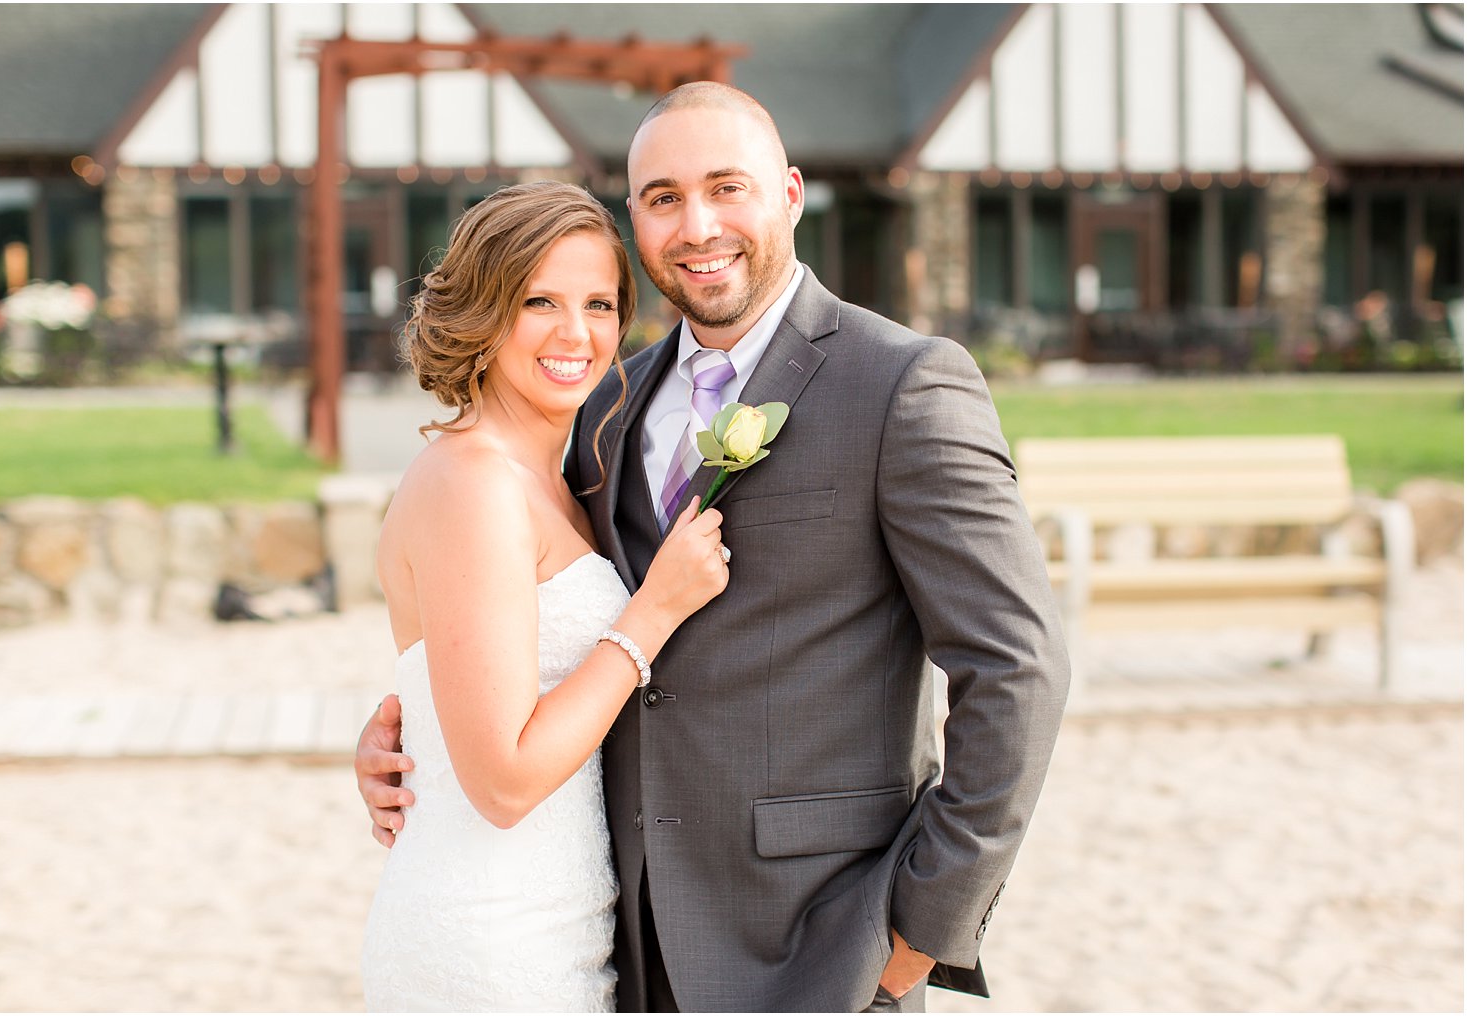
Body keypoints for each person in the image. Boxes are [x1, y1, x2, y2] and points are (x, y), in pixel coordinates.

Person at [357, 82, 1071, 1012]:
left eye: (726, 188)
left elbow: (1018, 667)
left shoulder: (904, 385)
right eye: (663, 197)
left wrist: (923, 930)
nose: (698, 225)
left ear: (789, 193)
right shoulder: (602, 411)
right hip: (622, 942)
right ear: (637, 219)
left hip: (815, 944)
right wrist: (408, 735)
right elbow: (508, 634)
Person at [358, 181, 731, 1011]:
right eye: (540, 302)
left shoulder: (559, 476)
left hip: (562, 925)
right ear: (483, 315)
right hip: (491, 938)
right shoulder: (472, 484)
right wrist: (652, 614)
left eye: (600, 303)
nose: (579, 334)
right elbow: (504, 781)